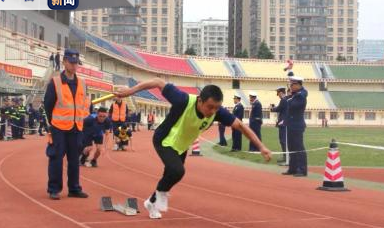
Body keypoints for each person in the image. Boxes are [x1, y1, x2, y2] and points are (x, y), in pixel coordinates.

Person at [114, 78, 272, 219]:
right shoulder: (182, 99)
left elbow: (240, 126)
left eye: (216, 108)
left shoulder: (217, 112)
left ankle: (151, 201)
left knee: (172, 175)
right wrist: (129, 92)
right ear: (200, 101)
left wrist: (261, 146)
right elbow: (157, 82)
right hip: (163, 139)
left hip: (181, 146)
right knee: (177, 171)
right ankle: (160, 194)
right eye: (210, 107)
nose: (212, 112)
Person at [44, 49, 89, 200]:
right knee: (56, 157)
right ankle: (54, 189)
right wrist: (53, 123)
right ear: (64, 62)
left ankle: (74, 188)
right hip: (59, 128)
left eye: (76, 63)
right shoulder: (55, 82)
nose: (74, 65)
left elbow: (83, 105)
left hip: (76, 127)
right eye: (71, 62)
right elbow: (48, 105)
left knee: (74, 160)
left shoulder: (82, 83)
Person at [282, 76, 308, 177]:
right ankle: (293, 168)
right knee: (292, 147)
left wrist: (289, 99)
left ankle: (302, 169)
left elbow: (292, 105)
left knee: (299, 147)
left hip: (297, 125)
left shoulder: (301, 95)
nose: (291, 87)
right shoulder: (295, 95)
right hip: (291, 124)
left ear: (298, 85)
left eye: (292, 85)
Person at [270, 87, 288, 164]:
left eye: (278, 94)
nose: (278, 96)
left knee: (283, 141)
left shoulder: (284, 100)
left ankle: (286, 158)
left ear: (281, 93)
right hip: (283, 123)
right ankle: (286, 157)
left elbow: (279, 109)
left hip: (283, 124)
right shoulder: (285, 99)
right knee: (283, 141)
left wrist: (272, 108)